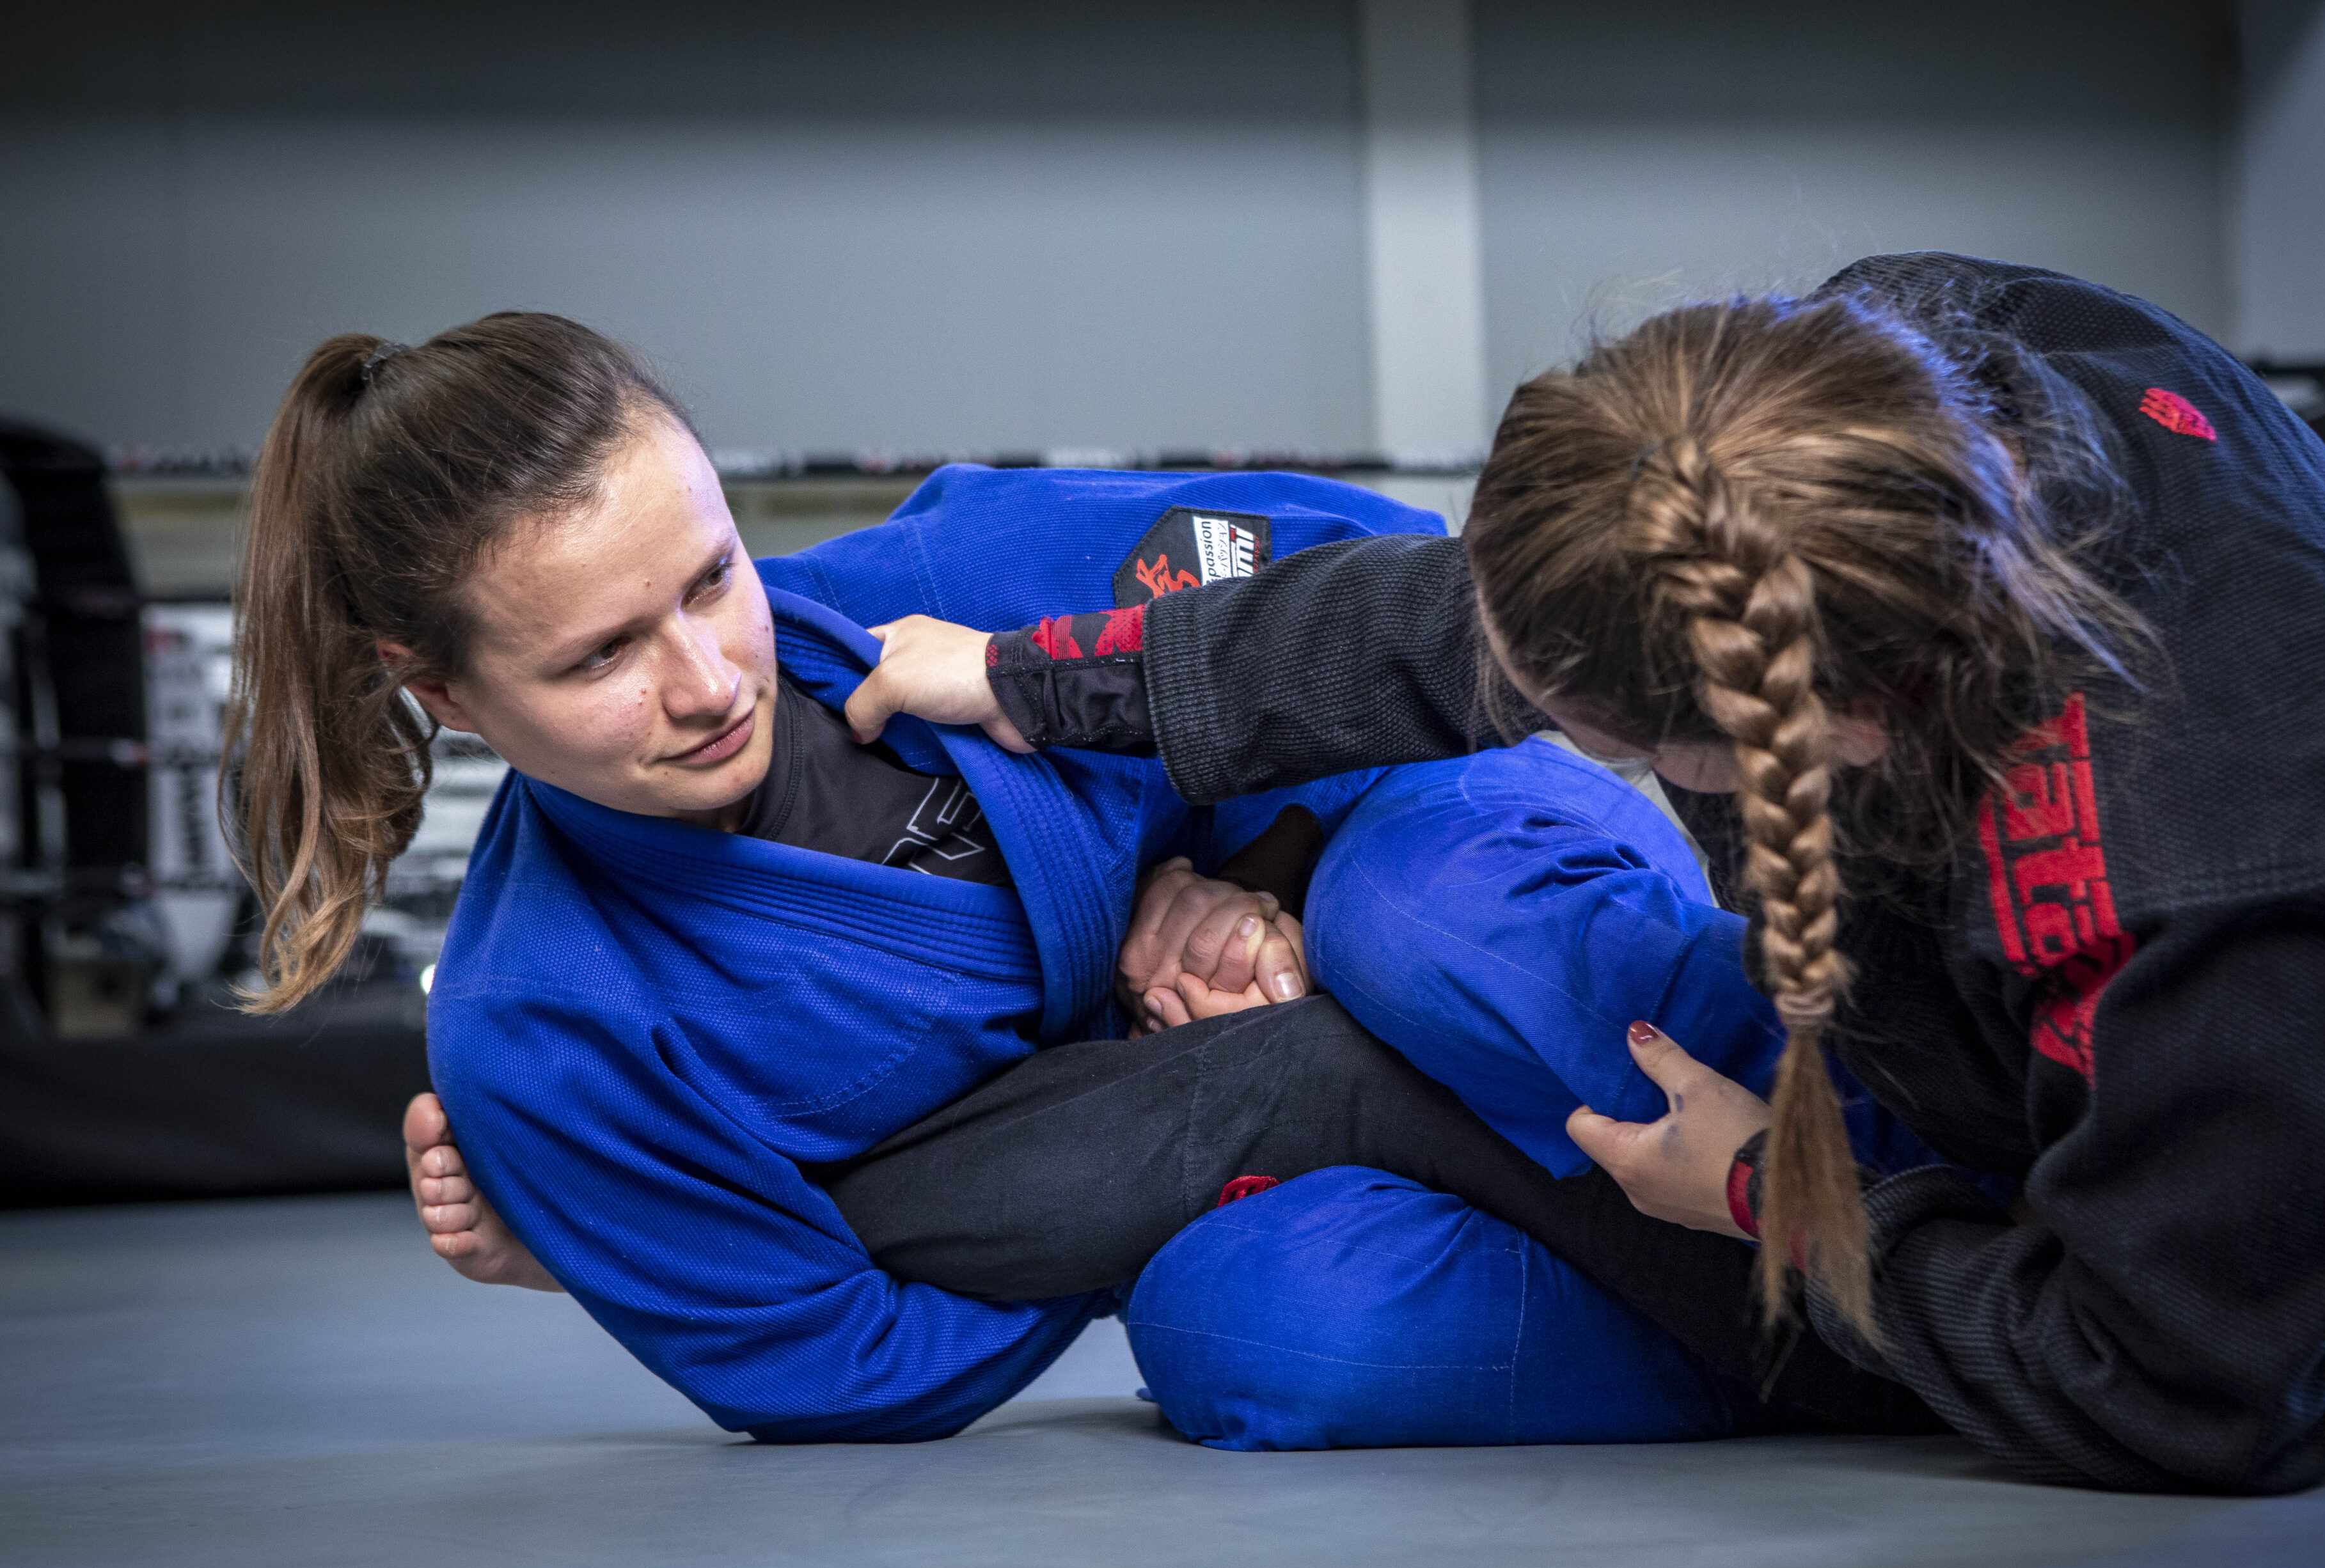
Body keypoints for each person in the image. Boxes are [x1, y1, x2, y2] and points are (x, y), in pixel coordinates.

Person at [847, 254, 2325, 1492]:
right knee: (1368, 979)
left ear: (1815, 729)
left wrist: (1775, 1196)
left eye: (1608, 740)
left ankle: (2296, 1303)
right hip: (1956, 1056)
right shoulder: (1882, 389)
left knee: (1262, 1334)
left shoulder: (2227, 864)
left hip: (2215, 1168)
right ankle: (1403, 1101)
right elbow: (1458, 623)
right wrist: (1036, 673)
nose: (1562, 736)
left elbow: (2182, 1396)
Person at [249, 311, 1934, 1450]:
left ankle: (1918, 1187)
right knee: (1251, 1333)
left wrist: (1247, 860)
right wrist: (1138, 1117)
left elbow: (1413, 607)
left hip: (1432, 869)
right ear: (448, 694)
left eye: (712, 578)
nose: (708, 679)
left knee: (1412, 926)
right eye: (604, 653)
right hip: (1259, 1137)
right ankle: (1851, 1361)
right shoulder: (548, 1033)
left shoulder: (954, 575)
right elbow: (831, 1351)